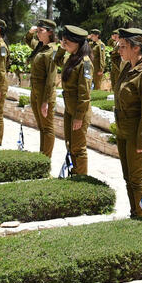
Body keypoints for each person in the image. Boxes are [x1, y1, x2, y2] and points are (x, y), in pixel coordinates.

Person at [113, 28, 142, 218]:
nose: (119, 50)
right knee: (127, 178)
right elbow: (114, 57)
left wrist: (141, 142)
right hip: (123, 131)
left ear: (137, 48)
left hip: (136, 135)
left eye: (123, 46)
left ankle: (141, 216)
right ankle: (134, 213)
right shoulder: (126, 68)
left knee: (137, 179)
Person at [60, 25, 93, 175]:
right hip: (69, 109)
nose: (65, 44)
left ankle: (81, 179)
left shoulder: (84, 63)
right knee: (70, 144)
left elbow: (85, 93)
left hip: (79, 111)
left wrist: (79, 116)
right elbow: (56, 61)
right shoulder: (71, 58)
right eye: (63, 41)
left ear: (77, 42)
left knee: (78, 148)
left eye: (67, 41)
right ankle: (74, 173)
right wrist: (62, 48)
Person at [26, 19, 59, 157]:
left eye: (41, 31)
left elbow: (51, 79)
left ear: (50, 32)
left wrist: (45, 101)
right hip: (35, 92)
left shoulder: (52, 50)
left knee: (47, 127)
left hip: (44, 95)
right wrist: (30, 32)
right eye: (37, 31)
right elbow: (28, 40)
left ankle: (46, 158)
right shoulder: (40, 47)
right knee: (41, 127)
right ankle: (42, 156)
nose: (38, 34)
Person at [108, 30, 122, 97]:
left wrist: (112, 53)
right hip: (114, 66)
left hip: (118, 65)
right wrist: (112, 38)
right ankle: (115, 95)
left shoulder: (121, 44)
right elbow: (109, 43)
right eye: (114, 35)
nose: (115, 37)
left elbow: (118, 53)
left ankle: (118, 96)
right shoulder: (115, 43)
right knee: (113, 80)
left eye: (116, 35)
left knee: (117, 81)